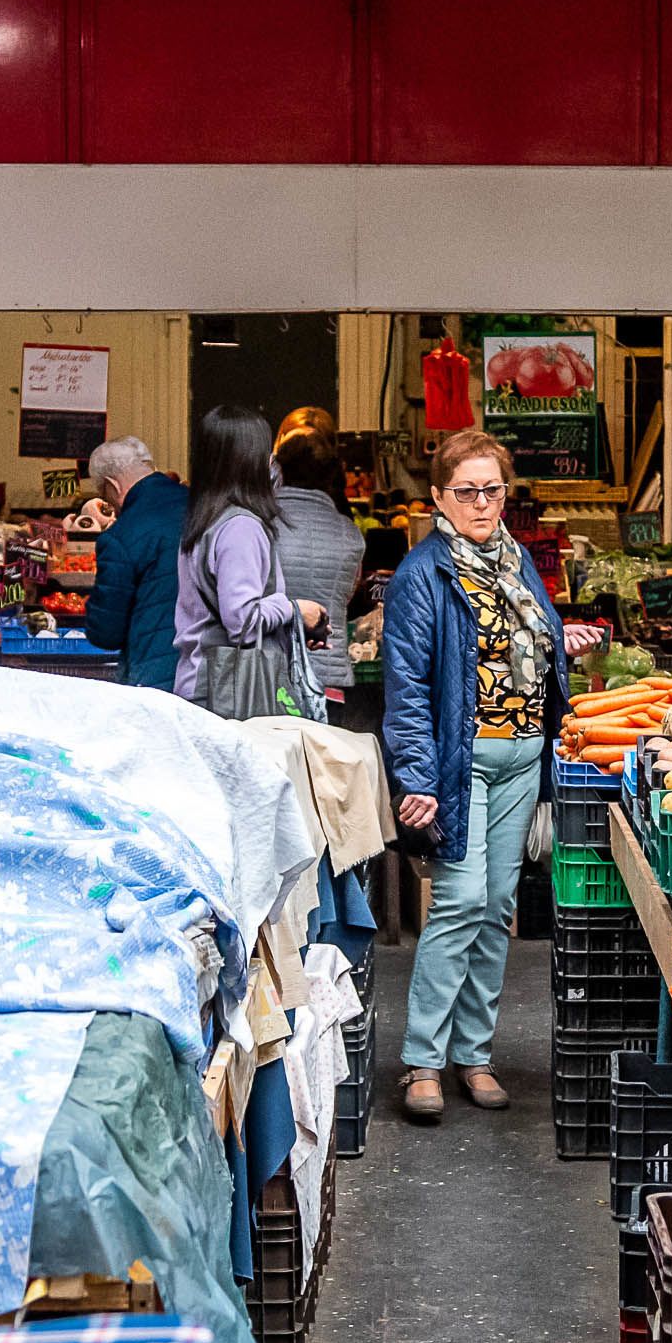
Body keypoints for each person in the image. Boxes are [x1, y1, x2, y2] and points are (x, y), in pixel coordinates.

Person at [382, 428, 604, 1124]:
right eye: (467, 491)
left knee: (498, 902)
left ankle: (473, 1055)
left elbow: (523, 638)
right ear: (439, 498)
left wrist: (556, 642)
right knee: (459, 899)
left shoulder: (517, 563)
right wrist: (415, 777)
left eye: (493, 490)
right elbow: (408, 684)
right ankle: (422, 1059)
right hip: (459, 761)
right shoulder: (425, 574)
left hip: (521, 756)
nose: (483, 503)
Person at [172, 409, 326, 713]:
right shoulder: (241, 527)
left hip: (203, 683)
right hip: (227, 691)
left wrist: (289, 628)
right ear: (249, 460)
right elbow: (242, 620)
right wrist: (295, 609)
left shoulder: (205, 519)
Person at [83, 435, 188, 693]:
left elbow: (106, 633)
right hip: (206, 667)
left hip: (154, 674)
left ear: (112, 485)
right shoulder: (199, 504)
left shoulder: (121, 537)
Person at [270, 436, 366, 709]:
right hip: (329, 674)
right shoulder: (349, 532)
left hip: (274, 672)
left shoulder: (260, 524)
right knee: (322, 750)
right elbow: (347, 595)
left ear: (281, 469)